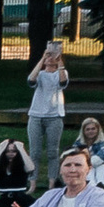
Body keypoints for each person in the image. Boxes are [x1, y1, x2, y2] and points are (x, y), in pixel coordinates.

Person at [24, 44, 69, 188]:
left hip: (54, 116)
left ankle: (52, 183)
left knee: (52, 152)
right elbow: (31, 80)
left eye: (52, 56)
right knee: (34, 152)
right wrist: (43, 58)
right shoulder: (40, 74)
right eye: (48, 56)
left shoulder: (62, 72)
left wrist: (59, 61)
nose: (50, 59)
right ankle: (32, 183)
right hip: (36, 116)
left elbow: (63, 82)